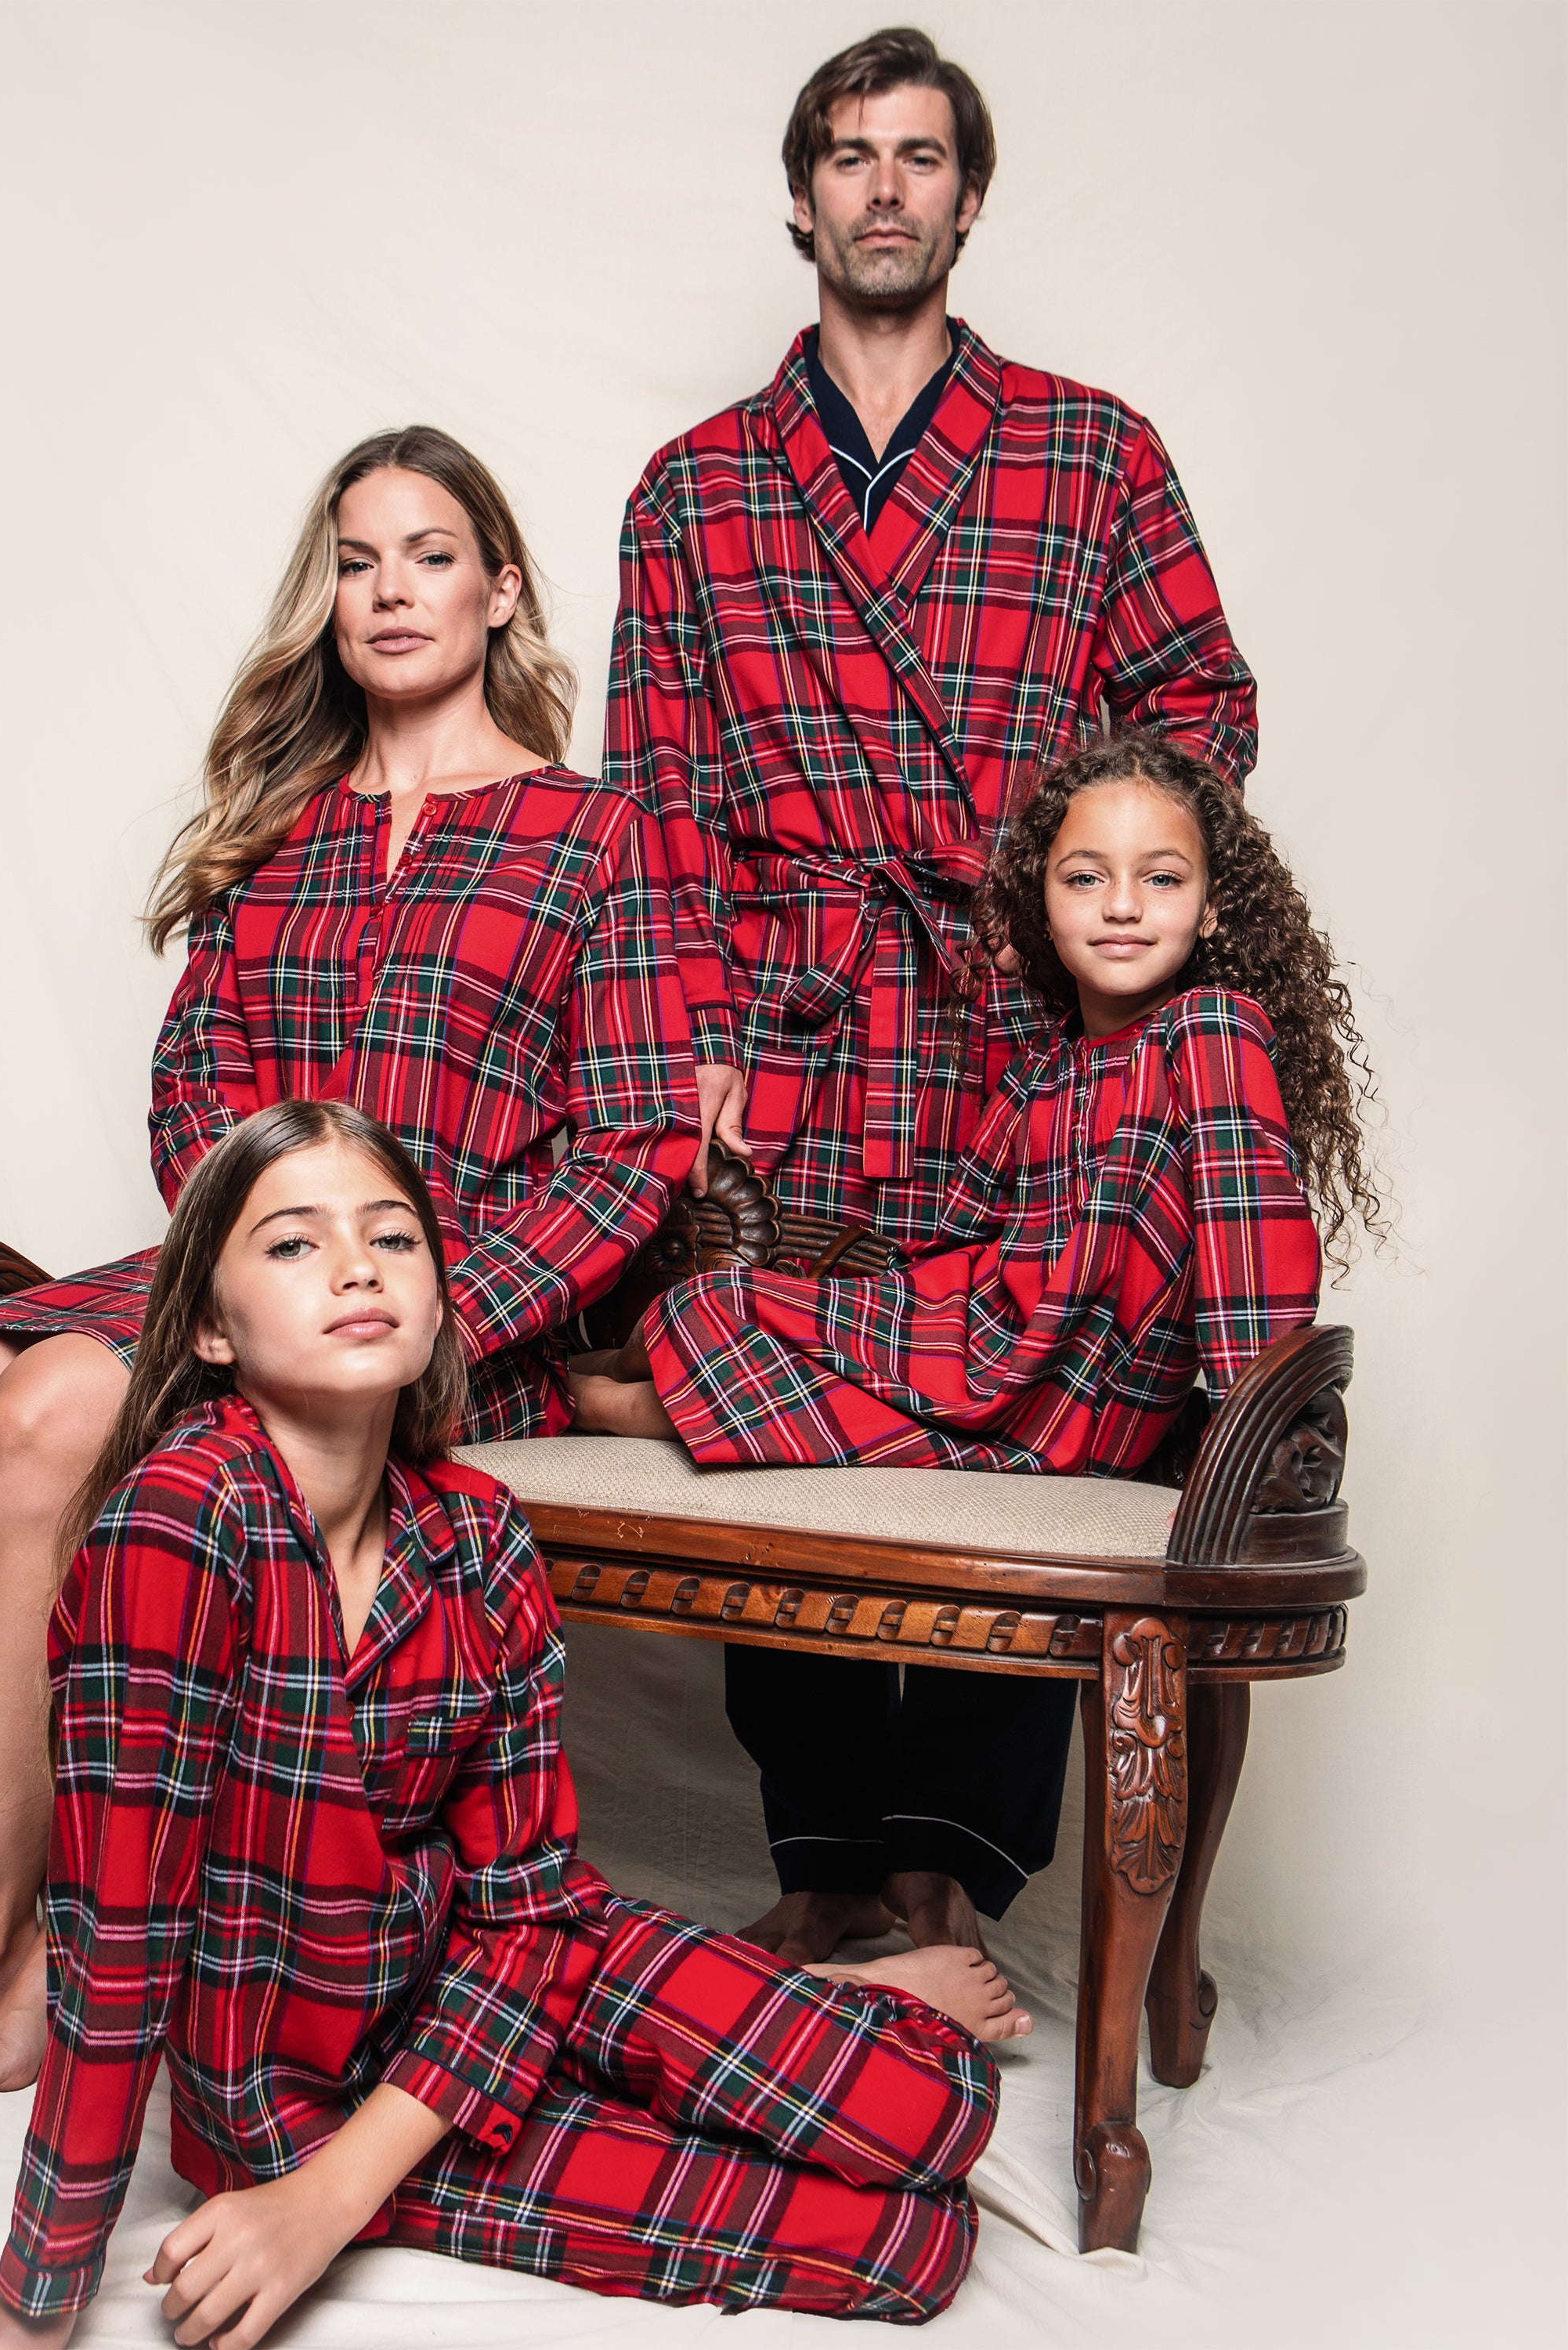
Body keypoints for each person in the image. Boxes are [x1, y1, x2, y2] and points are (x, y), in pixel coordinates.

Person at [0, 428, 699, 2082]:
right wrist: (244, 1270)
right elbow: (196, 1084)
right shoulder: (283, 832)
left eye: (429, 552)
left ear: (503, 586)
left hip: (443, 1304)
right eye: (355, 560)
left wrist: (432, 1301)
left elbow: (635, 1153)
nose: (389, 590)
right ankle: (67, 1894)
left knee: (42, 1418)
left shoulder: (591, 835)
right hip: (241, 1276)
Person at [0, 1099, 1031, 2350]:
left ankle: (782, 2017)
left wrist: (372, 2171)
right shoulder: (176, 1526)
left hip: (508, 1978)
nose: (354, 1268)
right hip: (307, 2104)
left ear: (442, 1298)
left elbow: (527, 1915)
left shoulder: (480, 1533)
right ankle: (737, 2041)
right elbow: (116, 1937)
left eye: (392, 1240)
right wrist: (46, 2302)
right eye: (292, 1245)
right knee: (910, 2246)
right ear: (212, 1328)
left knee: (936, 2108)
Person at [602, 27, 1259, 1962]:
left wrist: (1076, 885)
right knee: (772, 1413)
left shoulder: (1089, 449)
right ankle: (814, 1854)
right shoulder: (690, 486)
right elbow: (652, 802)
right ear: (796, 197)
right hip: (800, 1035)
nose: (880, 187)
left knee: (1031, 1415)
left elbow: (1200, 714)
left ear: (965, 201)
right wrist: (702, 1029)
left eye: (916, 157)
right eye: (844, 154)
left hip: (1020, 1027)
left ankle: (944, 1871)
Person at [573, 734, 1386, 1480]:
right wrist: (849, 1314)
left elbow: (1254, 1248)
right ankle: (598, 1368)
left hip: (1069, 1405)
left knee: (716, 1344)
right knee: (709, 1302)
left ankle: (586, 1401)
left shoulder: (1207, 1032)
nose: (1123, 906)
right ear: (1043, 898)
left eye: (1162, 878)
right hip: (977, 1357)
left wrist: (1253, 1429)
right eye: (1085, 877)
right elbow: (951, 1243)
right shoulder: (1046, 1069)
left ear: (1210, 907)